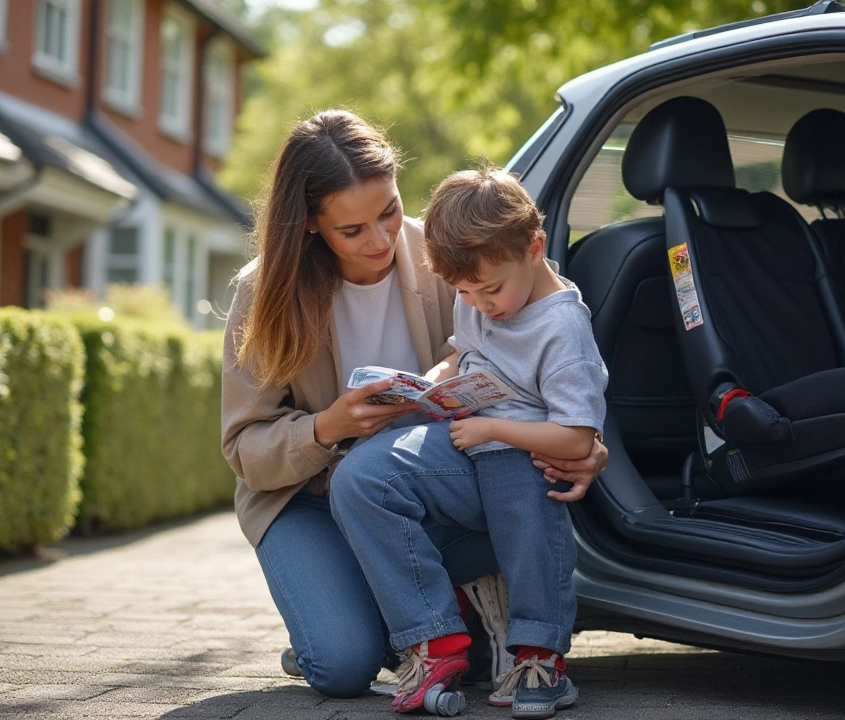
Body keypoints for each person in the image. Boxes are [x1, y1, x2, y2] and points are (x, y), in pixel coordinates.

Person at [220, 109, 607, 701]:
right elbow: (244, 448)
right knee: (342, 666)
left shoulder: (448, 253)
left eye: (390, 212)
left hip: (425, 489)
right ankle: (346, 622)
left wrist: (587, 447)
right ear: (309, 227)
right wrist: (328, 427)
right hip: (307, 499)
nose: (379, 241)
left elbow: (549, 343)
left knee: (516, 512)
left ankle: (394, 614)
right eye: (352, 231)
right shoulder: (262, 291)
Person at [330, 168, 606, 718]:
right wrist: (433, 382)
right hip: (462, 441)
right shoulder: (478, 294)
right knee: (361, 478)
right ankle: (433, 643)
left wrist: (494, 429)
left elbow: (575, 438)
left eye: (491, 289)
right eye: (463, 293)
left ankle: (539, 657)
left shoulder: (562, 329)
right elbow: (464, 353)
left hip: (522, 453)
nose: (481, 304)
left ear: (534, 248)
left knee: (523, 490)